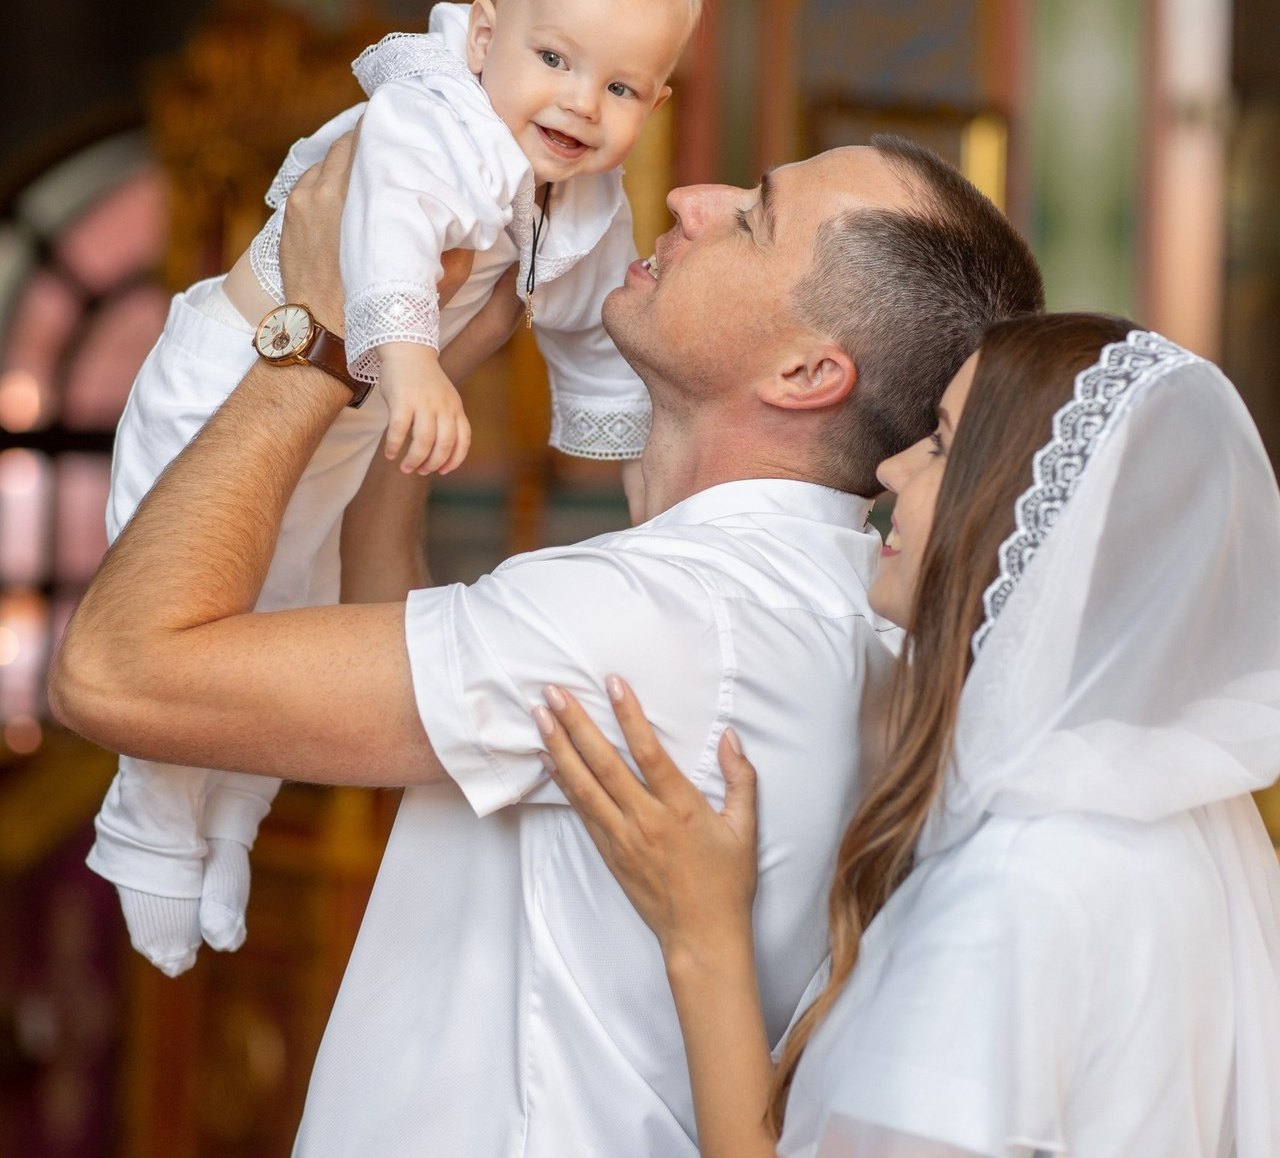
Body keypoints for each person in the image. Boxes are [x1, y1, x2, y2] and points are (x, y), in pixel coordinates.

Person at [49, 127, 1046, 1156]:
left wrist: (320, 331)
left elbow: (114, 670)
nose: (692, 196)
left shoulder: (654, 613)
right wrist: (423, 364)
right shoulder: (831, 608)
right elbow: (426, 692)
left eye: (753, 217)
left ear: (805, 371)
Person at [86, 0, 707, 978]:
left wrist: (631, 465)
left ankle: (226, 826)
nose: (577, 101)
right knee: (184, 609)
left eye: (616, 86)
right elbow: (384, 233)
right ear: (479, 39)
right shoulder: (431, 119)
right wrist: (412, 359)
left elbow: (588, 322)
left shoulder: (583, 198)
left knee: (274, 621)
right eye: (553, 57)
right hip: (225, 380)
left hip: (337, 424)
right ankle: (147, 830)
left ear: (653, 102)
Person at [535, 311, 1280, 1158]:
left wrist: (702, 938)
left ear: (1020, 523)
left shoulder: (1012, 898)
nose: (892, 467)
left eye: (940, 443)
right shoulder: (1155, 824)